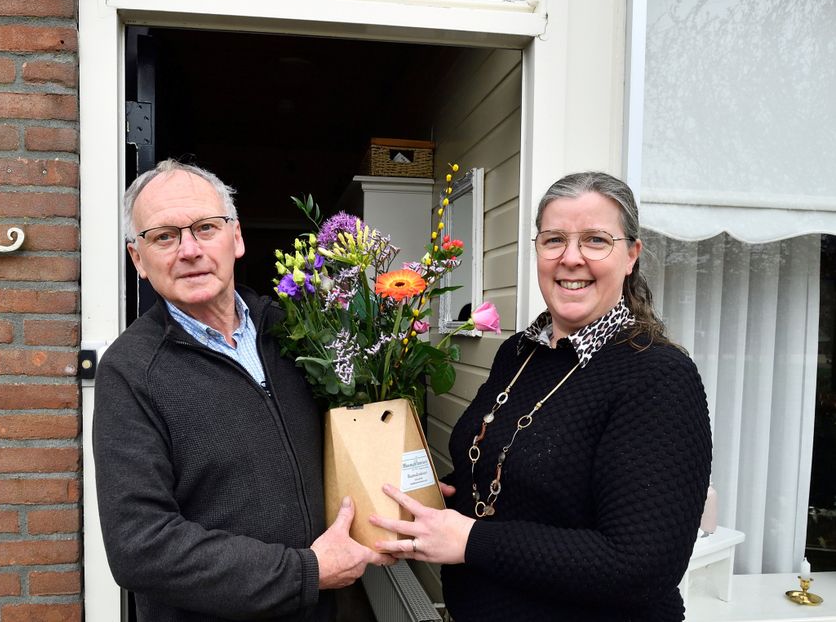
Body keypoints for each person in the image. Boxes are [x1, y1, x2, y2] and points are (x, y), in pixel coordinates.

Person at [370, 171, 712, 621]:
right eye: (554, 240)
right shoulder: (520, 352)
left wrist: (471, 541)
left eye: (595, 240)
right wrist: (428, 504)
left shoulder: (658, 376)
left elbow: (641, 567)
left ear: (631, 255)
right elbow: (508, 480)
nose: (571, 259)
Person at [93, 159, 391, 622]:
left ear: (236, 237)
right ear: (139, 259)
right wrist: (305, 572)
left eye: (205, 228)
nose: (189, 249)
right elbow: (141, 546)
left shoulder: (296, 331)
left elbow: (350, 432)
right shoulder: (131, 371)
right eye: (164, 236)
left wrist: (394, 477)